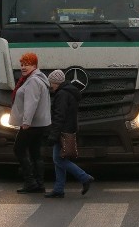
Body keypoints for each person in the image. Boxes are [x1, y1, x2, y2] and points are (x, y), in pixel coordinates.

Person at [44, 69, 94, 198]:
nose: (51, 86)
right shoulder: (70, 92)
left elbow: (59, 116)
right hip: (69, 130)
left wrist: (53, 135)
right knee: (60, 159)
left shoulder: (61, 94)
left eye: (51, 83)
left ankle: (84, 177)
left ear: (56, 82)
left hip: (62, 131)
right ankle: (59, 189)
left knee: (58, 160)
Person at [10, 52, 52, 194]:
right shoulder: (37, 79)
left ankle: (30, 182)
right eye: (22, 64)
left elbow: (31, 102)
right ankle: (39, 183)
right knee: (35, 152)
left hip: (32, 124)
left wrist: (26, 121)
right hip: (40, 123)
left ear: (34, 65)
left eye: (27, 64)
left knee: (18, 149)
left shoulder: (33, 81)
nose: (23, 67)